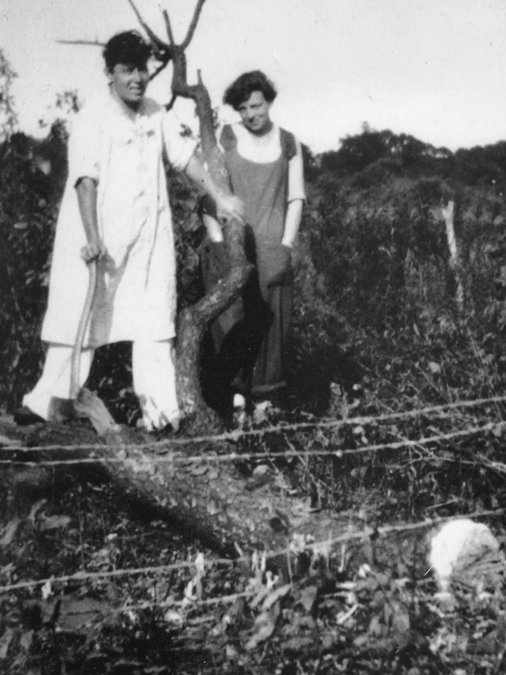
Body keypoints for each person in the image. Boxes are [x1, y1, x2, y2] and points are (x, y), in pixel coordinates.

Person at [18, 30, 244, 431]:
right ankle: (48, 410)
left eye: (142, 69)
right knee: (79, 319)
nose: (137, 78)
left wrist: (220, 197)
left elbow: (186, 158)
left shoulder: (156, 112)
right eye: (127, 70)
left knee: (154, 319)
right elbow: (85, 181)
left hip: (147, 239)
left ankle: (161, 416)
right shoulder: (92, 116)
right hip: (98, 237)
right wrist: (91, 237)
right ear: (110, 74)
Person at [199, 70, 305, 414]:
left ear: (269, 102)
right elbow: (209, 193)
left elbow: (296, 199)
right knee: (231, 320)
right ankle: (235, 405)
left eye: (256, 106)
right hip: (233, 247)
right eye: (243, 108)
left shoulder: (288, 143)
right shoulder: (226, 137)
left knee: (271, 324)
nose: (251, 115)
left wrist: (287, 243)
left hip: (272, 248)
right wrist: (216, 240)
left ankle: (265, 410)